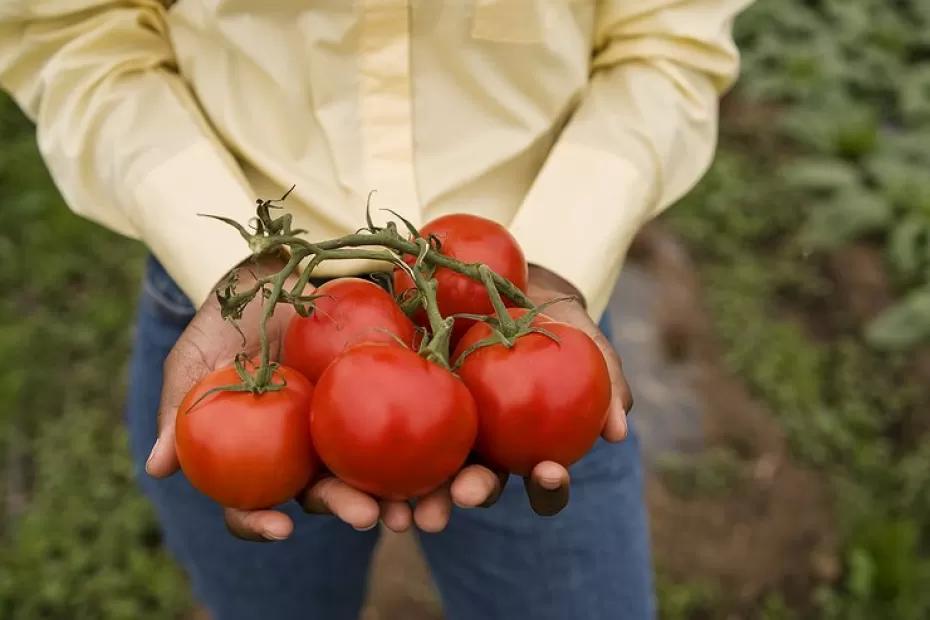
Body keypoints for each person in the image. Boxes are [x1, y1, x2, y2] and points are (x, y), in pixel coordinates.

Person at [0, 1, 748, 618]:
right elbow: (74, 31)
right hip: (245, 329)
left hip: (524, 312)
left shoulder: (525, 322)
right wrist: (233, 262)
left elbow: (667, 37)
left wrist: (555, 261)